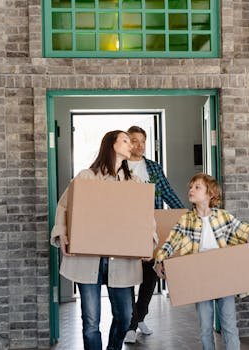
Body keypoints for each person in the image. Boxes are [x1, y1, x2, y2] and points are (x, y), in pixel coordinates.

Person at [50, 130, 153, 350]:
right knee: (90, 321)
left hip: (122, 260)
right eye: (125, 140)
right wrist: (62, 233)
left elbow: (146, 217)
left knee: (125, 317)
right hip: (88, 259)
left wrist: (148, 243)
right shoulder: (86, 177)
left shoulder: (133, 183)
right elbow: (64, 207)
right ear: (111, 145)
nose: (130, 144)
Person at [153, 173, 249, 350]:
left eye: (197, 187)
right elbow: (170, 242)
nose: (191, 190)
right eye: (190, 187)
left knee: (229, 324)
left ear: (210, 193)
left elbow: (245, 230)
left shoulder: (223, 217)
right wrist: (159, 260)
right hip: (200, 277)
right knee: (205, 327)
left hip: (224, 276)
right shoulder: (186, 220)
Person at [124, 125, 184, 344]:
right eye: (134, 140)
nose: (139, 145)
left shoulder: (153, 168)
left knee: (150, 278)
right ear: (127, 142)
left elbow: (167, 192)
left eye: (142, 141)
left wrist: (185, 214)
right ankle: (130, 324)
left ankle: (139, 318)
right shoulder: (118, 167)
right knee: (128, 277)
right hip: (126, 229)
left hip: (152, 230)